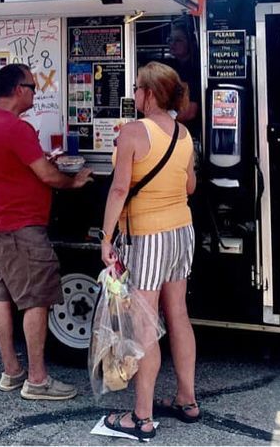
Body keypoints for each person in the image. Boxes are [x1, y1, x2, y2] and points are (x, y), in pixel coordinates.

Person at [0, 63, 91, 402]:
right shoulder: (16, 127)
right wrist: (74, 180)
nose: (35, 92)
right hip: (21, 228)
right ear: (18, 90)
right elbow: (47, 176)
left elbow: (20, 166)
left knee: (3, 296)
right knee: (37, 299)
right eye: (31, 86)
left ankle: (12, 371)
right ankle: (37, 380)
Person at [100, 62, 199, 441]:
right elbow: (189, 187)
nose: (134, 94)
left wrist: (106, 237)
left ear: (150, 93)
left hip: (147, 236)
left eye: (137, 88)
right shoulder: (184, 134)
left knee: (145, 323)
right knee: (179, 314)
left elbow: (119, 189)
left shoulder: (133, 132)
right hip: (181, 232)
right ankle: (187, 399)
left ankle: (141, 417)